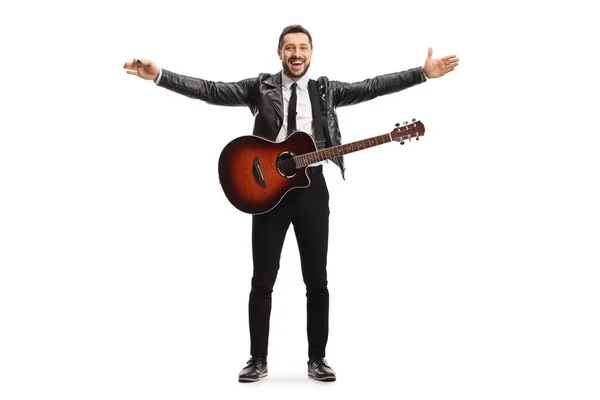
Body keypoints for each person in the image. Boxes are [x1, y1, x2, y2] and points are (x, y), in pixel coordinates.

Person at [123, 24, 459, 383]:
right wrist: (159, 76)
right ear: (279, 53)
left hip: (312, 188)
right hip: (266, 190)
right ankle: (257, 359)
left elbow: (373, 86)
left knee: (317, 278)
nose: (296, 54)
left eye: (303, 48)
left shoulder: (326, 91)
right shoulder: (261, 87)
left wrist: (422, 74)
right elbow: (211, 90)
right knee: (262, 279)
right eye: (289, 48)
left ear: (311, 54)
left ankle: (317, 359)